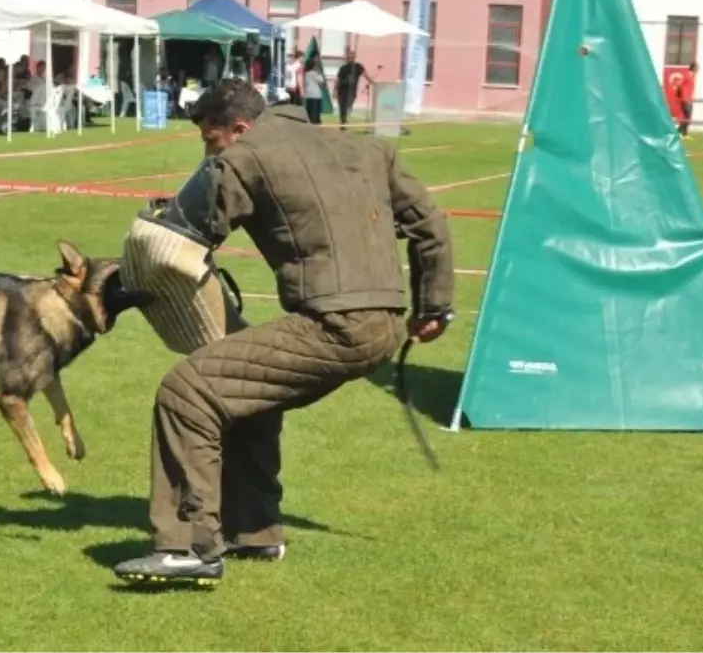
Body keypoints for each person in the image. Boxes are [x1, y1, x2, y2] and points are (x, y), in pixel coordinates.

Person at [112, 79, 456, 586]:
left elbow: (181, 236)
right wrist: (435, 306)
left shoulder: (244, 156)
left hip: (332, 324)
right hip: (384, 323)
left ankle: (188, 548)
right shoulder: (367, 148)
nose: (209, 153)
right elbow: (430, 225)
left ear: (240, 128)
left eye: (211, 140)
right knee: (247, 395)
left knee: (187, 393)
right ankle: (255, 531)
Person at [334, 49, 366, 129]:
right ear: (347, 57)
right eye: (350, 55)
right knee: (342, 107)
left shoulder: (358, 66)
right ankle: (343, 122)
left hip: (352, 91)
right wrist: (335, 90)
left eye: (353, 55)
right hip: (342, 91)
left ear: (355, 57)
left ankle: (345, 121)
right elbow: (338, 79)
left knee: (348, 106)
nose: (351, 56)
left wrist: (371, 81)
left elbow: (365, 74)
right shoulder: (343, 68)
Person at [677, 62, 697, 139]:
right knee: (686, 116)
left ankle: (685, 133)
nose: (697, 70)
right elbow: (679, 85)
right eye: (696, 68)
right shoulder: (687, 75)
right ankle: (679, 132)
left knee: (688, 117)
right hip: (685, 99)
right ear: (693, 67)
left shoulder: (692, 76)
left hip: (690, 99)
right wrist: (681, 95)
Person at [302, 57, 324, 124]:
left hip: (309, 95)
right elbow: (321, 80)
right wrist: (319, 72)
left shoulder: (306, 74)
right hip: (316, 96)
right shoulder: (314, 73)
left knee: (310, 114)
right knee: (316, 115)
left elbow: (304, 84)